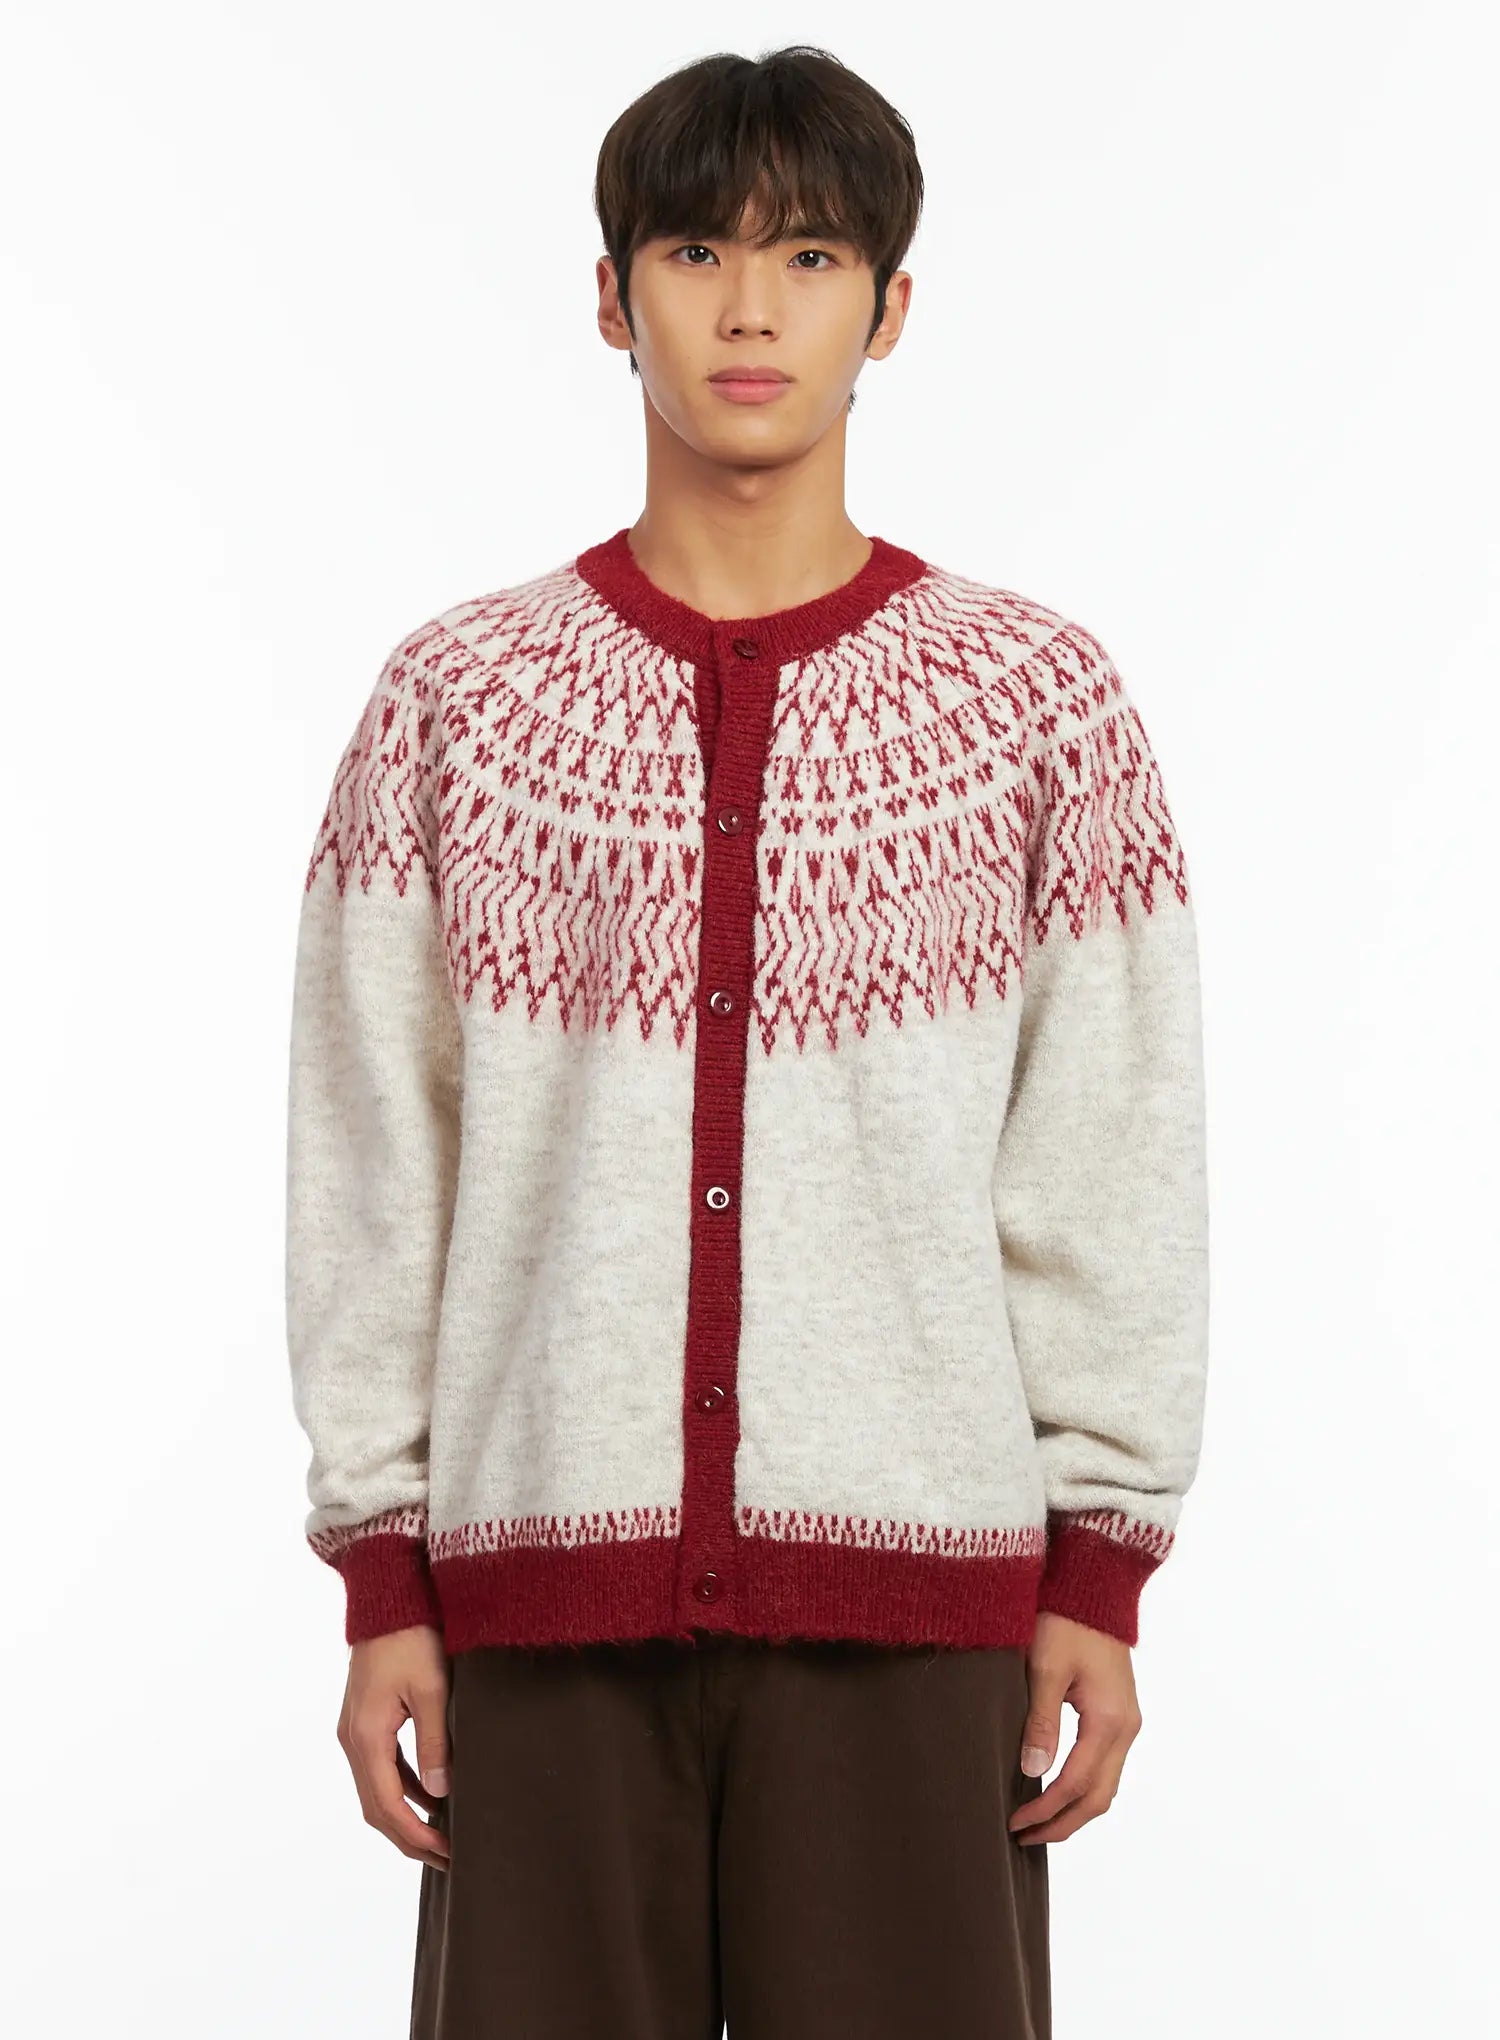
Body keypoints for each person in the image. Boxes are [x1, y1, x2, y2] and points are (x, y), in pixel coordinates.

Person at [283, 42, 1209, 2040]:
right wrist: (383, 1579)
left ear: (892, 308)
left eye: (810, 257)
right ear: (611, 300)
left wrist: (1100, 1569)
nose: (752, 310)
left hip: (917, 1612)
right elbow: (375, 1164)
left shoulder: (1036, 706)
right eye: (696, 252)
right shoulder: (457, 704)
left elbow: (1107, 1159)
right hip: (542, 1601)